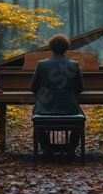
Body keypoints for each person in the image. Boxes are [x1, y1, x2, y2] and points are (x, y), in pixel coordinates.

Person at [31, 34, 84, 162]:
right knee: (80, 116)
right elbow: (79, 89)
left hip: (45, 106)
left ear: (51, 48)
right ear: (67, 48)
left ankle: (47, 148)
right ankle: (71, 149)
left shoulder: (42, 64)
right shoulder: (74, 64)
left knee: (36, 112)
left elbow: (33, 87)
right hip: (68, 106)